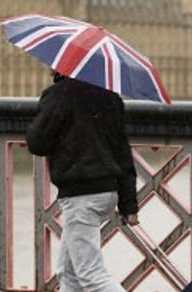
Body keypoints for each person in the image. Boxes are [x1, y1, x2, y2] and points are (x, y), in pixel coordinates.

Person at [26, 73, 139, 292]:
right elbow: (122, 152)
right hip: (108, 191)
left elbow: (37, 143)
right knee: (68, 274)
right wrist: (129, 205)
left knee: (91, 276)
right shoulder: (110, 97)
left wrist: (40, 119)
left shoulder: (59, 95)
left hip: (81, 196)